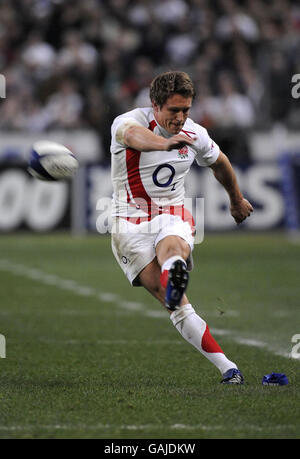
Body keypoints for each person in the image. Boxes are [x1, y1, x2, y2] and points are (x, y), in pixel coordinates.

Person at [110, 71, 253, 384]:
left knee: (173, 246)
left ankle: (229, 370)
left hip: (172, 210)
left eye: (186, 110)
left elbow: (220, 162)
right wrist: (164, 144)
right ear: (155, 106)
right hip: (128, 220)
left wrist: (236, 200)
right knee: (169, 299)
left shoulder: (195, 133)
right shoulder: (127, 121)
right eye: (174, 110)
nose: (180, 117)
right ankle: (173, 278)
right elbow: (135, 137)